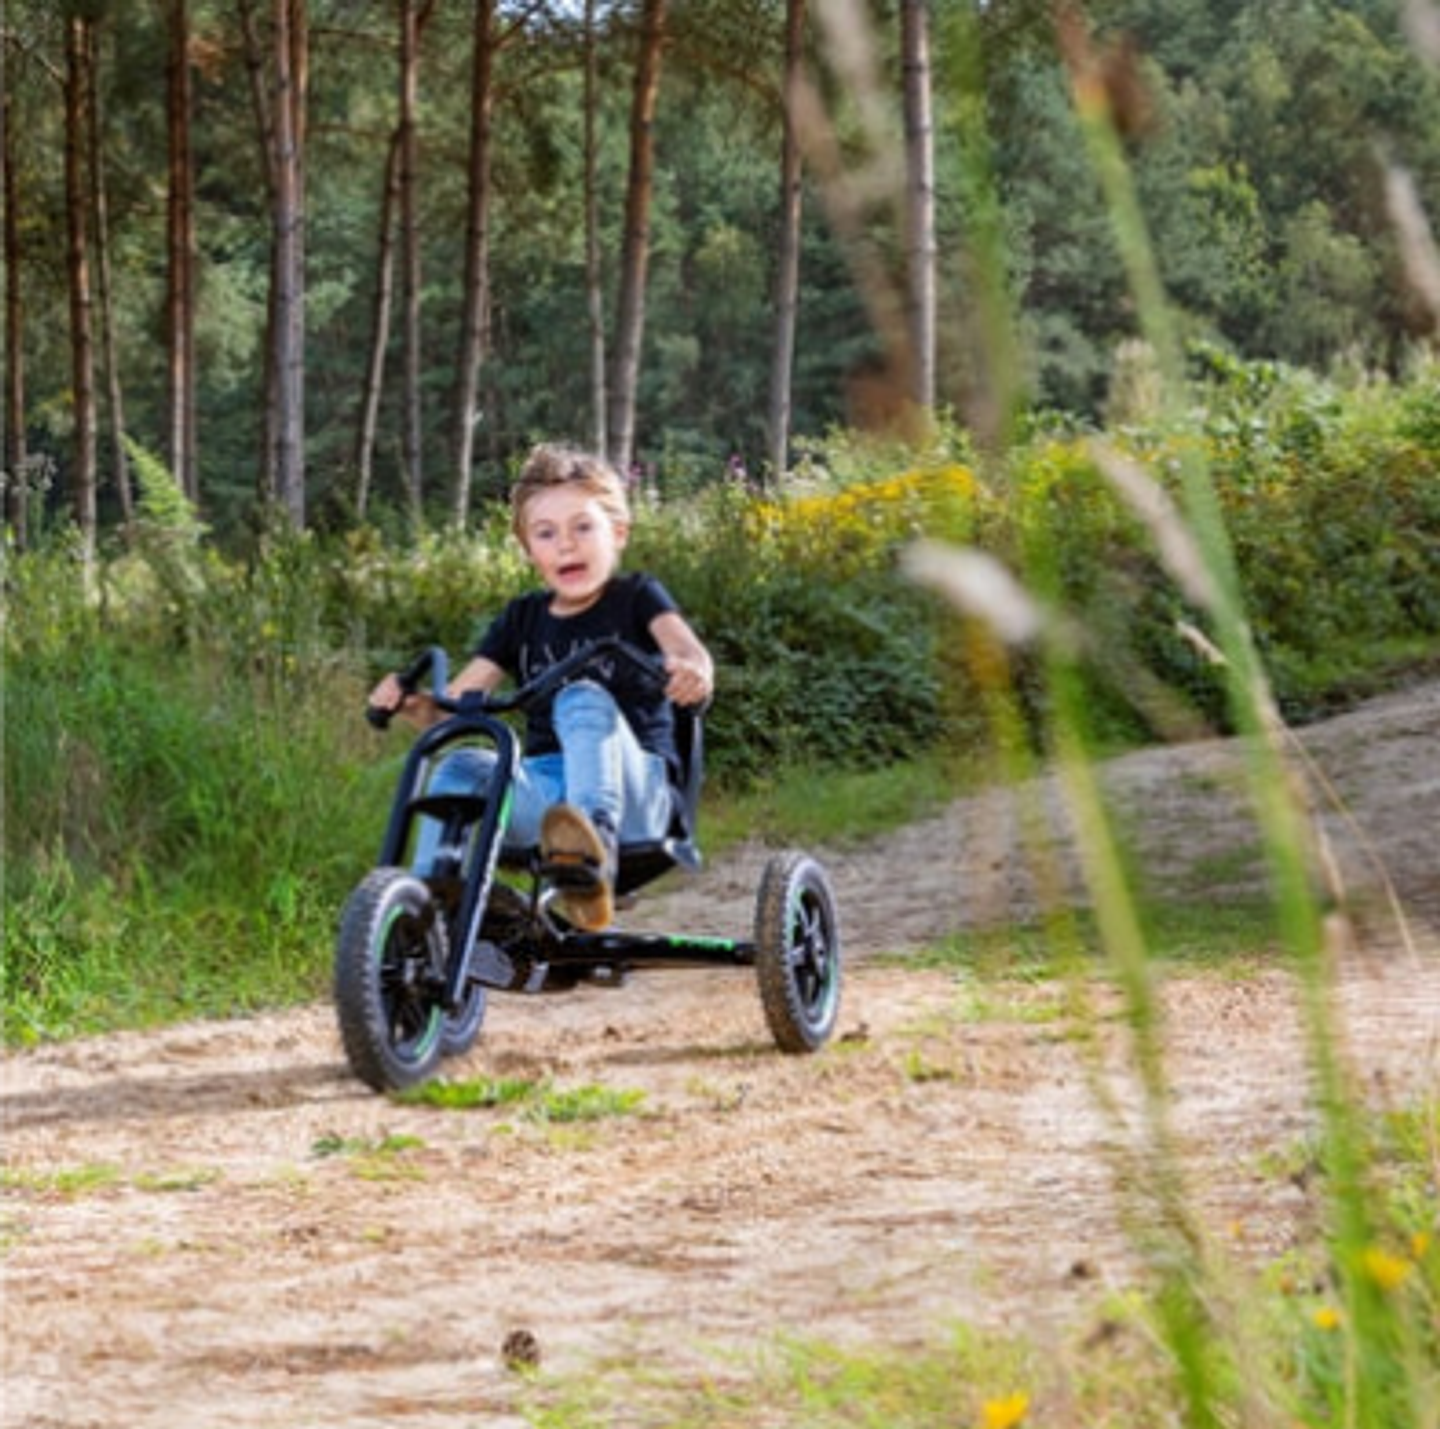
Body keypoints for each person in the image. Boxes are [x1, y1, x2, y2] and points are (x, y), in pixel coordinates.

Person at [369, 443, 714, 931]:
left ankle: (592, 855)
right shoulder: (521, 618)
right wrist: (412, 703)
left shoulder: (637, 596)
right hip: (549, 799)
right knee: (461, 763)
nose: (565, 544)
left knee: (581, 696)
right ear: (530, 550)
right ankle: (429, 904)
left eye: (582, 527)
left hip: (638, 792)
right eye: (546, 534)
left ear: (617, 533)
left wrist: (691, 670)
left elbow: (688, 651)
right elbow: (454, 712)